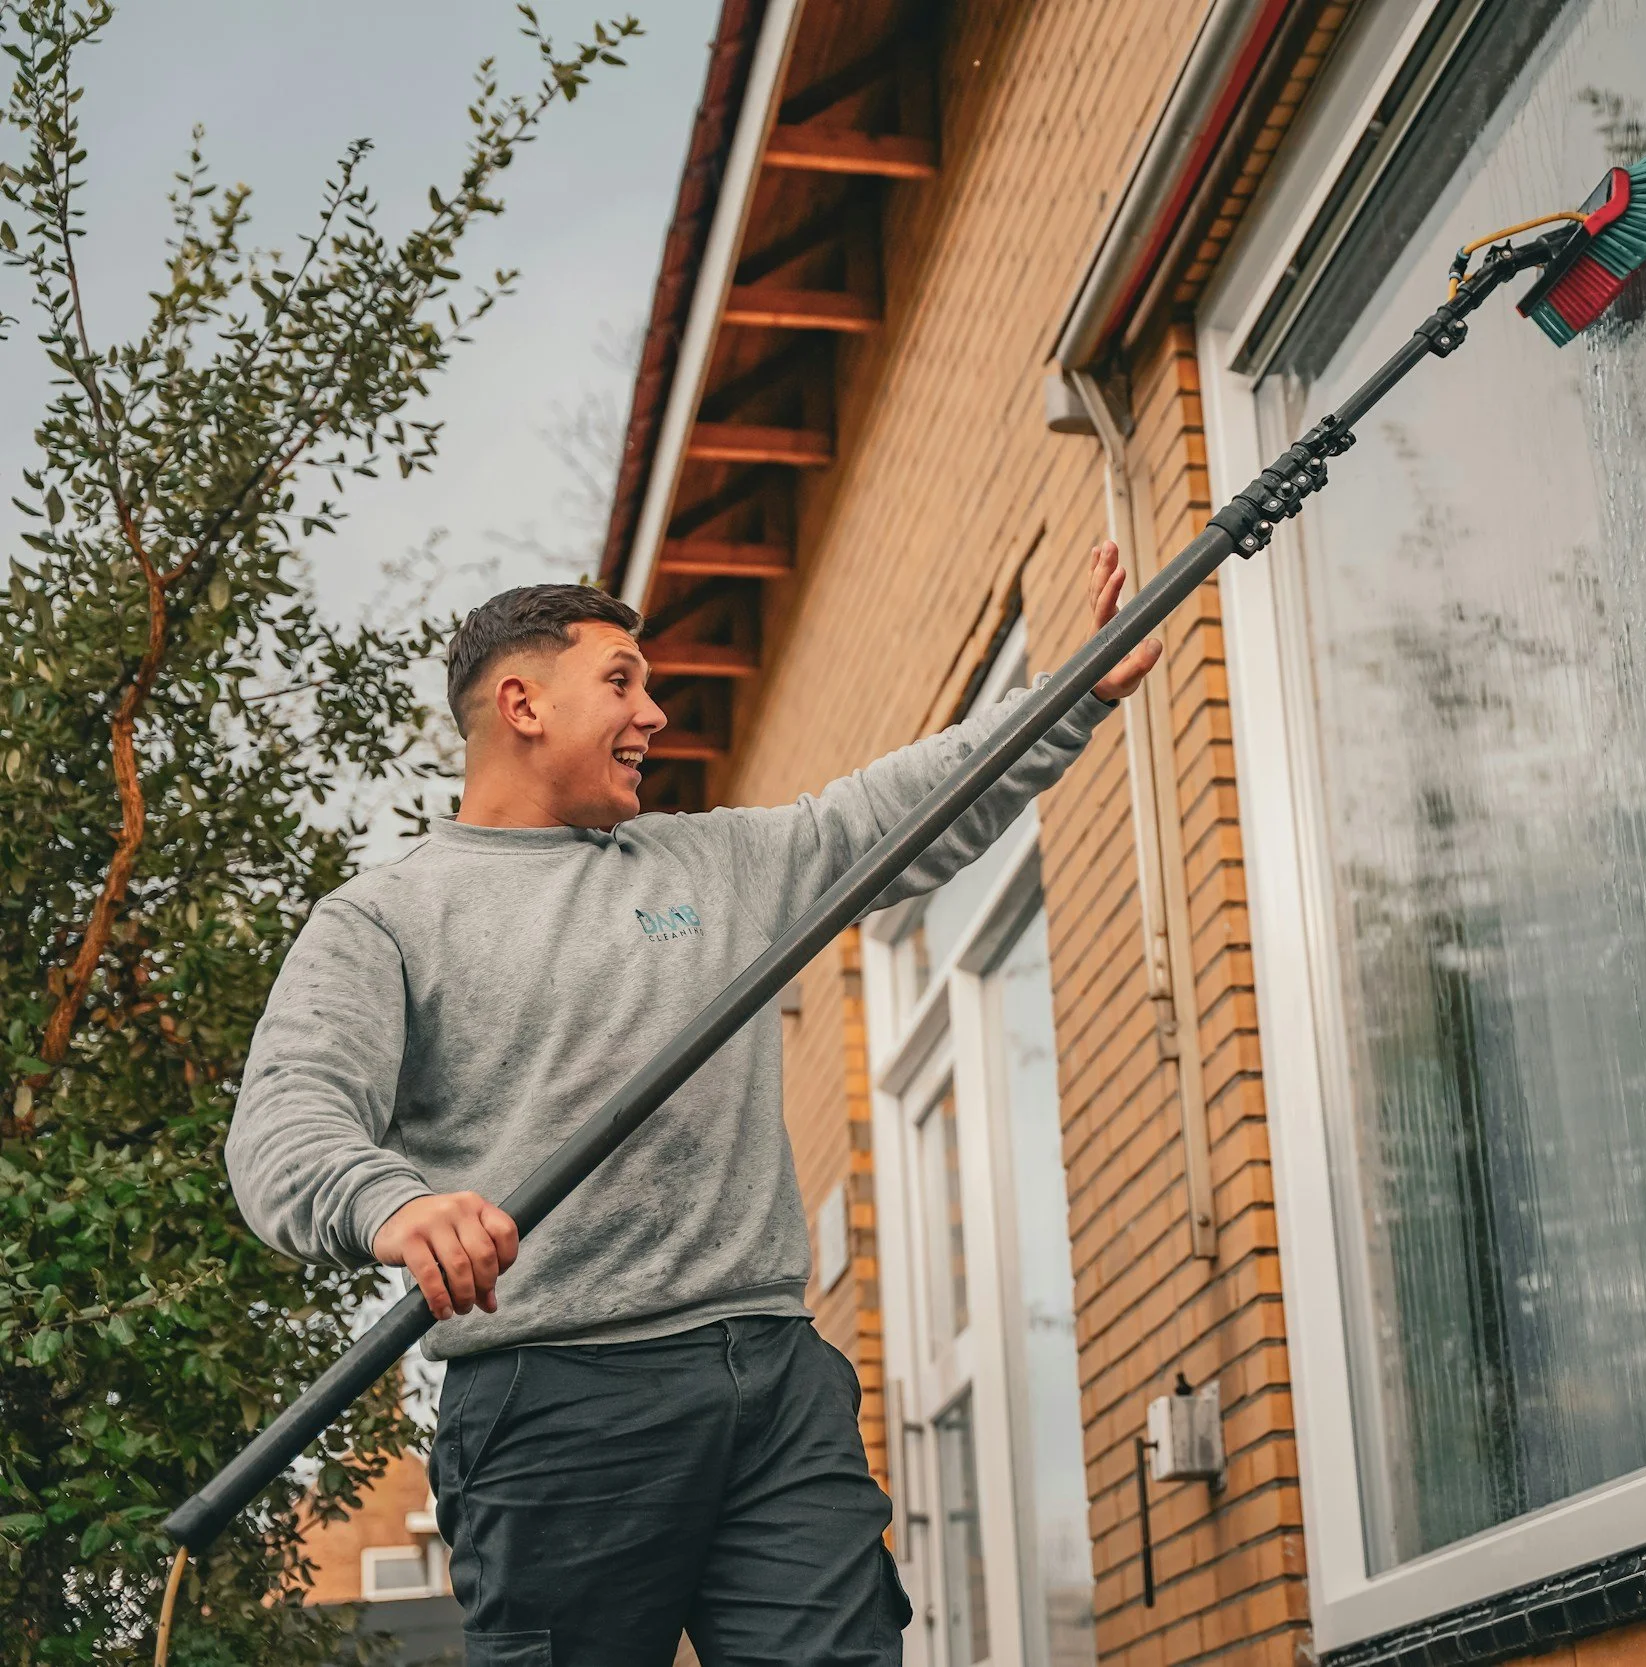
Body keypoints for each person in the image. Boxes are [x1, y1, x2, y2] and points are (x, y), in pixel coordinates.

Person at [227, 545, 1159, 1667]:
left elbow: (895, 811)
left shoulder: (710, 865)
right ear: (520, 702)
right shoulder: (386, 919)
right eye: (621, 680)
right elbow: (286, 1121)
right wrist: (394, 1206)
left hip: (773, 1376)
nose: (654, 712)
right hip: (556, 1400)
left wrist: (1075, 692)